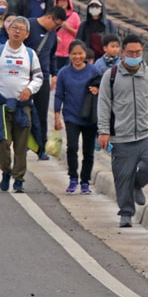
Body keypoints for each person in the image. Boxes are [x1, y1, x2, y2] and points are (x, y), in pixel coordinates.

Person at [97, 34, 148, 228]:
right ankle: (126, 213)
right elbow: (103, 105)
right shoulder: (110, 77)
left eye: (138, 52)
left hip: (145, 133)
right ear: (122, 53)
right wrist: (103, 131)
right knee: (122, 177)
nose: (135, 55)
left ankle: (138, 184)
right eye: (131, 52)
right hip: (121, 136)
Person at [0, 16, 43, 194]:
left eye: (21, 29)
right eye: (14, 27)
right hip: (0, 106)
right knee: (3, 143)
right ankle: (6, 171)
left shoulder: (30, 54)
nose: (17, 31)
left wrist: (29, 89)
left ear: (27, 34)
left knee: (21, 146)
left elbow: (38, 78)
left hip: (23, 107)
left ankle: (19, 179)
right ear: (8, 29)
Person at [55, 41, 100, 195]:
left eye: (80, 53)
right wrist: (56, 116)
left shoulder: (94, 70)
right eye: (74, 54)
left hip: (89, 117)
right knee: (72, 147)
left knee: (88, 151)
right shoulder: (63, 72)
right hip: (71, 116)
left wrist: (97, 89)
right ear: (69, 55)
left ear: (85, 54)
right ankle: (73, 177)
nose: (77, 56)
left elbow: (104, 88)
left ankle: (85, 181)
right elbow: (59, 94)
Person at [26, 6, 65, 160]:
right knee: (24, 112)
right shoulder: (29, 25)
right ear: (50, 17)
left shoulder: (52, 34)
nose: (57, 28)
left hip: (43, 77)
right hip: (25, 76)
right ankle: (24, 144)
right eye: (56, 24)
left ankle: (41, 147)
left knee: (42, 113)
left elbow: (52, 55)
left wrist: (54, 74)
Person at [52, 0, 81, 74]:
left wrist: (68, 28)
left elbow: (79, 33)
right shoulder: (53, 15)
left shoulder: (74, 16)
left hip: (70, 52)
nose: (62, 3)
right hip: (56, 52)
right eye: (60, 0)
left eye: (64, 0)